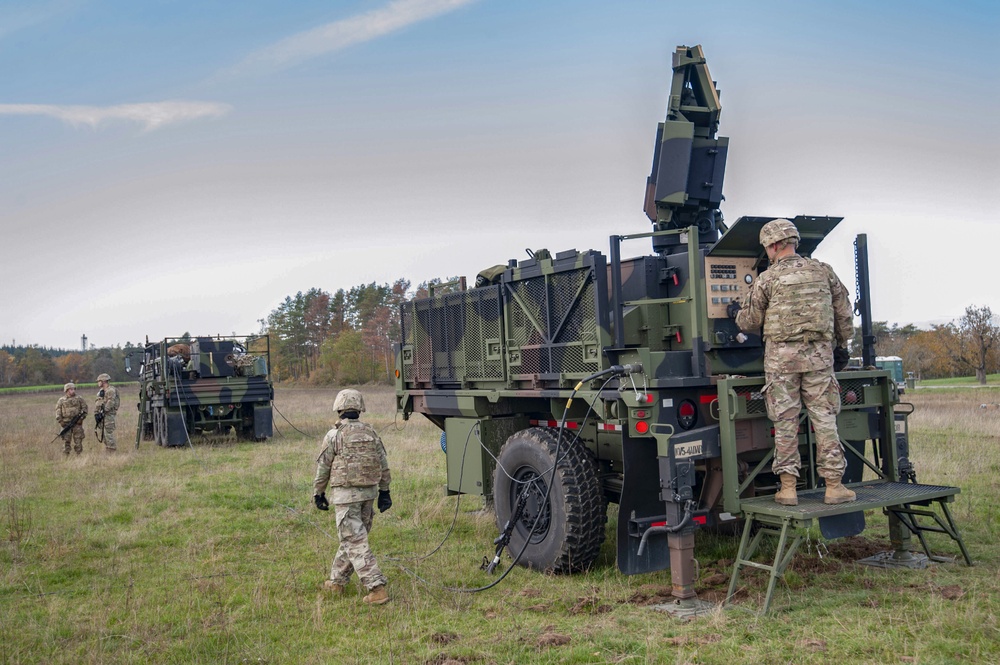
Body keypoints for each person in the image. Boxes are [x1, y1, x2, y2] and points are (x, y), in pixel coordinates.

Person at [731, 218, 856, 505]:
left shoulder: (768, 279)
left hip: (780, 362)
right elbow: (844, 314)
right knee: (825, 420)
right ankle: (834, 486)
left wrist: (737, 313)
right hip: (819, 359)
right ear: (793, 242)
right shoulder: (824, 271)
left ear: (774, 245)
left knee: (785, 423)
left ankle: (788, 488)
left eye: (768, 248)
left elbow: (750, 322)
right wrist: (842, 343)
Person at [313, 389, 392, 605]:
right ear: (360, 409)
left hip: (346, 497)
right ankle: (337, 581)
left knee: (354, 540)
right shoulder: (371, 433)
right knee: (353, 538)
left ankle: (376, 588)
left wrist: (318, 492)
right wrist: (385, 491)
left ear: (339, 409)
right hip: (369, 495)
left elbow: (323, 468)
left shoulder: (334, 435)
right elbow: (383, 465)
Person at [56, 382, 88, 455]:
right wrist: (60, 421)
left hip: (77, 423)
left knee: (78, 440)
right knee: (66, 440)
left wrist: (81, 418)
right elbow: (58, 411)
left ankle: (78, 454)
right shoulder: (61, 400)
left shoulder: (79, 399)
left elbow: (85, 409)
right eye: (71, 389)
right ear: (67, 390)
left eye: (74, 389)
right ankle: (66, 455)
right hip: (66, 423)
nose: (73, 391)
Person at [94, 373, 120, 452]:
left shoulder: (111, 390)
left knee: (108, 434)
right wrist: (97, 413)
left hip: (108, 415)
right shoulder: (101, 391)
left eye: (99, 381)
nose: (98, 383)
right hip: (102, 415)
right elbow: (98, 402)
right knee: (104, 434)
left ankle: (112, 450)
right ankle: (108, 448)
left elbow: (111, 402)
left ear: (104, 381)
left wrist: (104, 411)